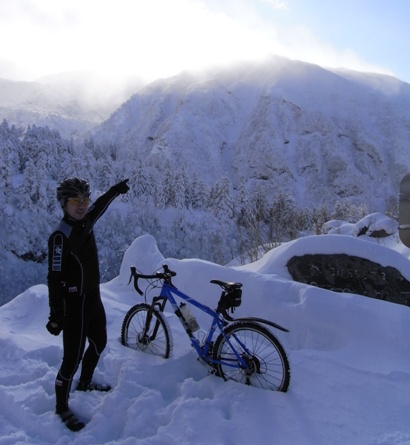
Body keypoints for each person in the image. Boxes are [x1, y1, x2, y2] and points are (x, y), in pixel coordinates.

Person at [46, 177, 129, 431]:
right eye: (75, 201)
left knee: (99, 342)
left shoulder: (87, 221)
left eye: (84, 200)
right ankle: (61, 407)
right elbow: (54, 278)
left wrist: (115, 190)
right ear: (64, 204)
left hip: (93, 297)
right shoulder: (61, 236)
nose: (82, 206)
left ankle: (85, 382)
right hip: (74, 304)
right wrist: (56, 314)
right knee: (71, 359)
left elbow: (100, 206)